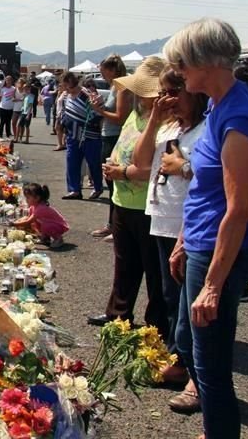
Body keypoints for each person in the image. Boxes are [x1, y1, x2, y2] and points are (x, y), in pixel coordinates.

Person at [164, 19, 248, 439]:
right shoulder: (219, 104)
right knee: (188, 343)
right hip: (202, 242)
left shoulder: (239, 115)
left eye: (182, 65)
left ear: (204, 62)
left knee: (209, 362)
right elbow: (207, 192)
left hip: (220, 251)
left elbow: (238, 208)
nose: (179, 74)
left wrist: (211, 284)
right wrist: (184, 240)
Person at [131, 67, 208, 399]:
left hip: (189, 225)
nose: (169, 99)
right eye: (163, 93)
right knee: (170, 297)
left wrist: (185, 167)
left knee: (189, 303)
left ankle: (195, 374)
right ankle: (180, 360)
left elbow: (214, 179)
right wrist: (154, 118)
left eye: (175, 91)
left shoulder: (206, 130)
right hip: (162, 219)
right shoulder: (169, 127)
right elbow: (141, 159)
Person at [87, 56, 168, 338]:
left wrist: (121, 171)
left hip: (147, 203)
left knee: (153, 269)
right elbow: (126, 142)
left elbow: (154, 167)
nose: (140, 95)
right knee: (124, 263)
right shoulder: (137, 113)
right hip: (124, 199)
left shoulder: (166, 122)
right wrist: (113, 165)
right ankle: (118, 315)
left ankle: (157, 325)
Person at [90, 54, 134, 240]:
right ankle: (113, 224)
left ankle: (116, 227)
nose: (102, 75)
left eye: (103, 72)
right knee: (111, 182)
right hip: (109, 135)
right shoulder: (115, 86)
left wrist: (99, 110)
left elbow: (121, 117)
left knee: (114, 182)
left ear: (111, 70)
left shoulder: (122, 86)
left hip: (116, 137)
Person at [59, 71, 103, 199]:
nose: (68, 89)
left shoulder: (86, 95)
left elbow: (98, 113)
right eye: (65, 87)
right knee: (72, 162)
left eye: (70, 87)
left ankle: (97, 187)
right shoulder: (66, 96)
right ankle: (75, 190)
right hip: (72, 136)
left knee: (93, 163)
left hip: (90, 136)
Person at [13, 183, 69, 249]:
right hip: (50, 223)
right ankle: (45, 237)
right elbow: (29, 219)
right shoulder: (33, 207)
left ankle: (58, 239)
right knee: (36, 223)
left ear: (37, 198)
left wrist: (14, 224)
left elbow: (28, 221)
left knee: (45, 226)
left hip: (59, 225)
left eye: (28, 198)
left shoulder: (41, 208)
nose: (26, 200)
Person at [54, 80, 68, 151]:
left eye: (60, 86)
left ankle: (61, 144)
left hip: (62, 114)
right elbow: (56, 102)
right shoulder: (61, 93)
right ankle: (62, 143)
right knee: (58, 128)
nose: (58, 87)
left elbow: (65, 104)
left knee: (59, 128)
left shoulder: (66, 93)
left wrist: (61, 114)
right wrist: (58, 95)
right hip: (59, 113)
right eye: (58, 86)